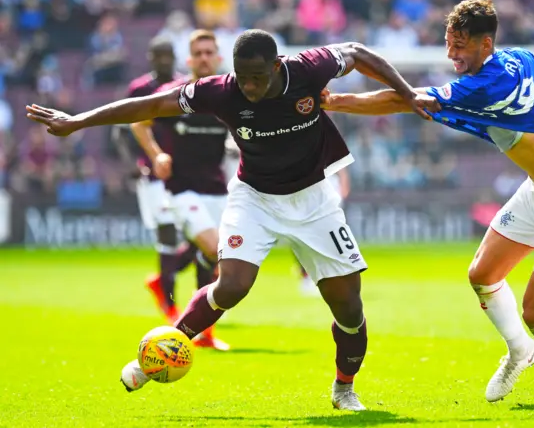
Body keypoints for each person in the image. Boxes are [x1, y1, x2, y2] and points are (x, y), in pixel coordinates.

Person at [26, 29, 426, 411]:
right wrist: (78, 121)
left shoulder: (308, 68)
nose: (248, 87)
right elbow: (151, 105)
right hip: (254, 199)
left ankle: (344, 387)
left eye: (256, 78)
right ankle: (165, 349)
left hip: (314, 201)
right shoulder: (220, 90)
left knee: (349, 310)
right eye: (242, 78)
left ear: (275, 66)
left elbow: (357, 52)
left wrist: (407, 93)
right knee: (232, 285)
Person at [320, 0, 534, 406]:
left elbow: (406, 100)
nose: (451, 54)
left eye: (460, 45)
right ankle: (520, 351)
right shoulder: (521, 58)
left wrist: (337, 101)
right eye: (449, 42)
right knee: (482, 274)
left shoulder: (484, 84)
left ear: (485, 45)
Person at [129, 30, 231, 351]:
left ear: (217, 58)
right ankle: (172, 285)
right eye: (197, 53)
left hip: (216, 187)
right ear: (189, 60)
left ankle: (205, 331)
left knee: (209, 259)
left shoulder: (228, 94)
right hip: (181, 188)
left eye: (208, 52)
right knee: (216, 250)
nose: (203, 58)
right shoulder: (175, 93)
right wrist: (156, 153)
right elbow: (138, 122)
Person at [111, 36, 199, 321]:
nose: (163, 60)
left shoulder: (183, 86)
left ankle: (162, 280)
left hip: (185, 171)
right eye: (158, 55)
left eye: (168, 55)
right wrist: (130, 164)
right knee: (167, 236)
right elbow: (122, 130)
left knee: (203, 236)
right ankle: (170, 303)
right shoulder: (140, 88)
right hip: (151, 174)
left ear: (175, 56)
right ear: (149, 57)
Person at [299, 168, 350, 296]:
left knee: (330, 237)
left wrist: (344, 185)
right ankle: (308, 276)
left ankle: (333, 277)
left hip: (330, 186)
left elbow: (341, 164)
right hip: (312, 186)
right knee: (308, 236)